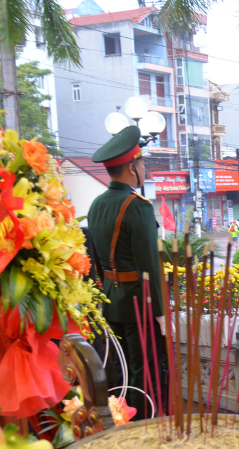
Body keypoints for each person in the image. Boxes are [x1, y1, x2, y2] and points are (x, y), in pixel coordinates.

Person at [87, 125, 167, 419]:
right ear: (132, 168)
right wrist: (159, 312)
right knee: (143, 371)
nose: (144, 169)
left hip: (111, 299)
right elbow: (149, 264)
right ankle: (143, 426)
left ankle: (123, 419)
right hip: (138, 302)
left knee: (120, 369)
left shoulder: (97, 204)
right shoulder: (137, 206)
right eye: (143, 164)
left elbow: (95, 257)